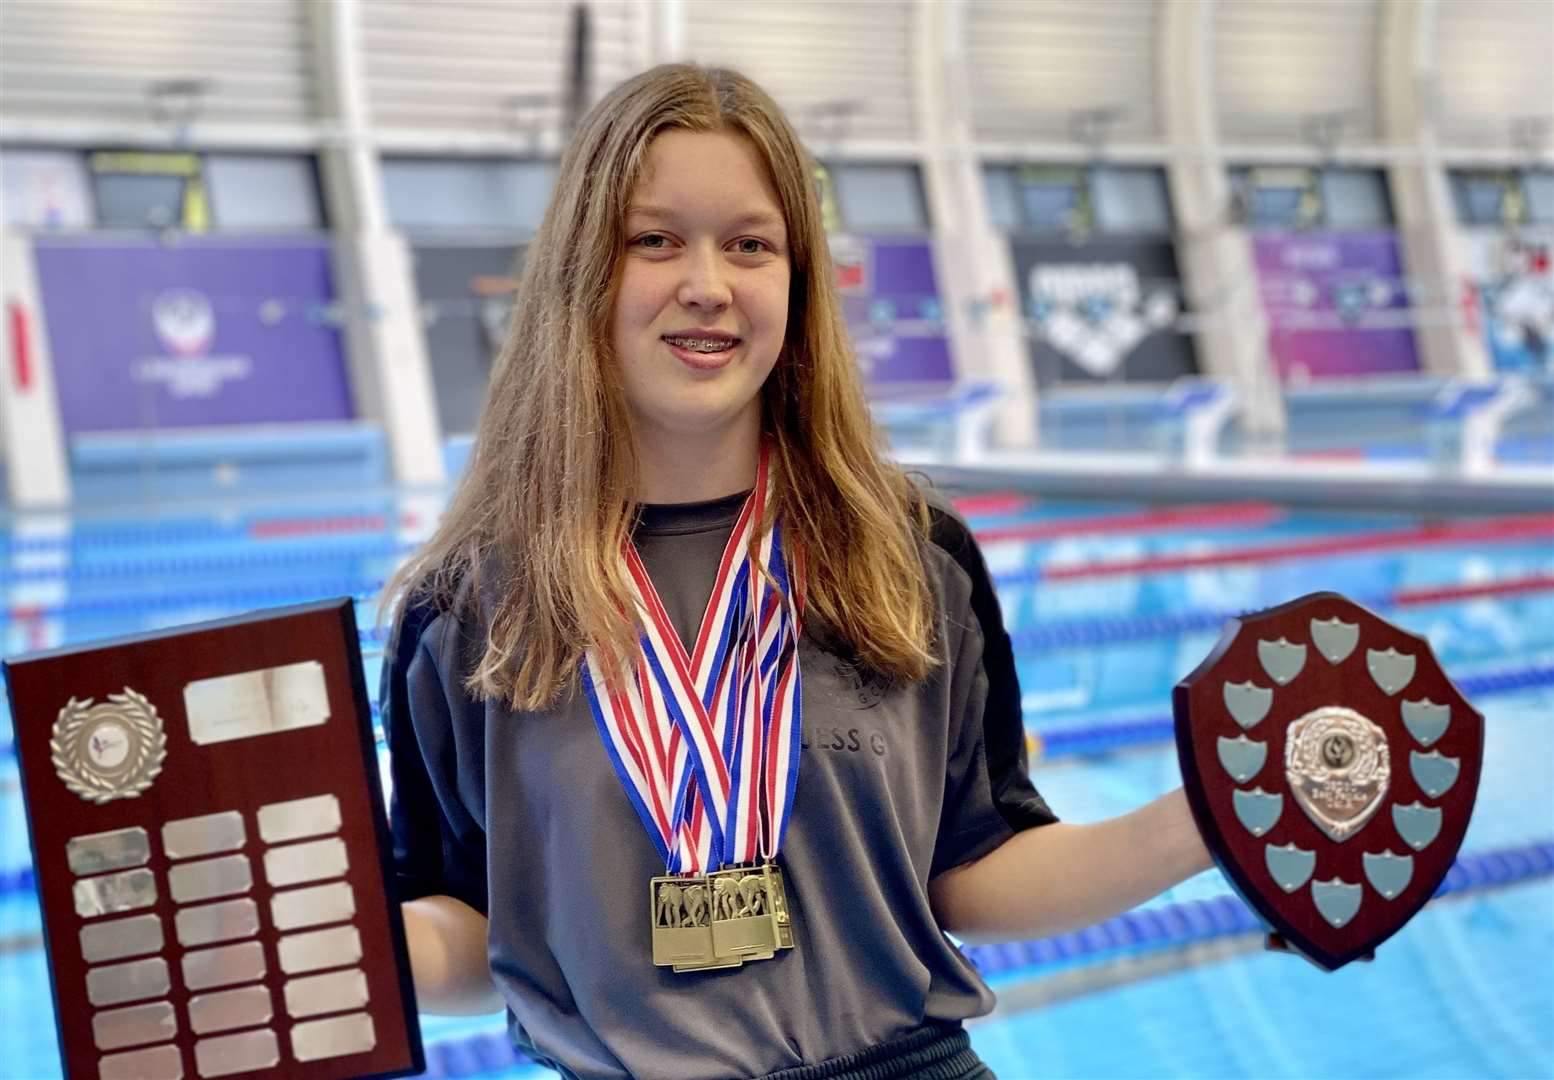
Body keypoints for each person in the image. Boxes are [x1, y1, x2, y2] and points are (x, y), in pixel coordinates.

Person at [381, 63, 1211, 1080]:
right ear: (580, 274)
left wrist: (1210, 814)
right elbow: (473, 927)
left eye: (750, 244)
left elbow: (974, 870)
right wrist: (319, 941)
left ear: (797, 281)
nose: (708, 284)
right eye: (654, 240)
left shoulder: (911, 553)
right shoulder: (466, 608)